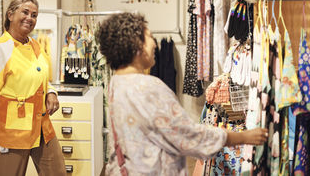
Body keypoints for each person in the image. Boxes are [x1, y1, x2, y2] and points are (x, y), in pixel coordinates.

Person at [96, 12, 268, 176]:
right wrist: (242, 137)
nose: (154, 44)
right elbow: (188, 135)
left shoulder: (116, 83)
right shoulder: (147, 88)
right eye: (149, 37)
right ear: (135, 43)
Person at [0, 0, 66, 176]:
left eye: (34, 15)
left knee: (57, 172)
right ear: (10, 15)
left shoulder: (35, 45)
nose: (30, 18)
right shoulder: (1, 48)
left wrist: (51, 92)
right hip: (13, 130)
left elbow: (42, 77)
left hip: (42, 125)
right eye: (25, 12)